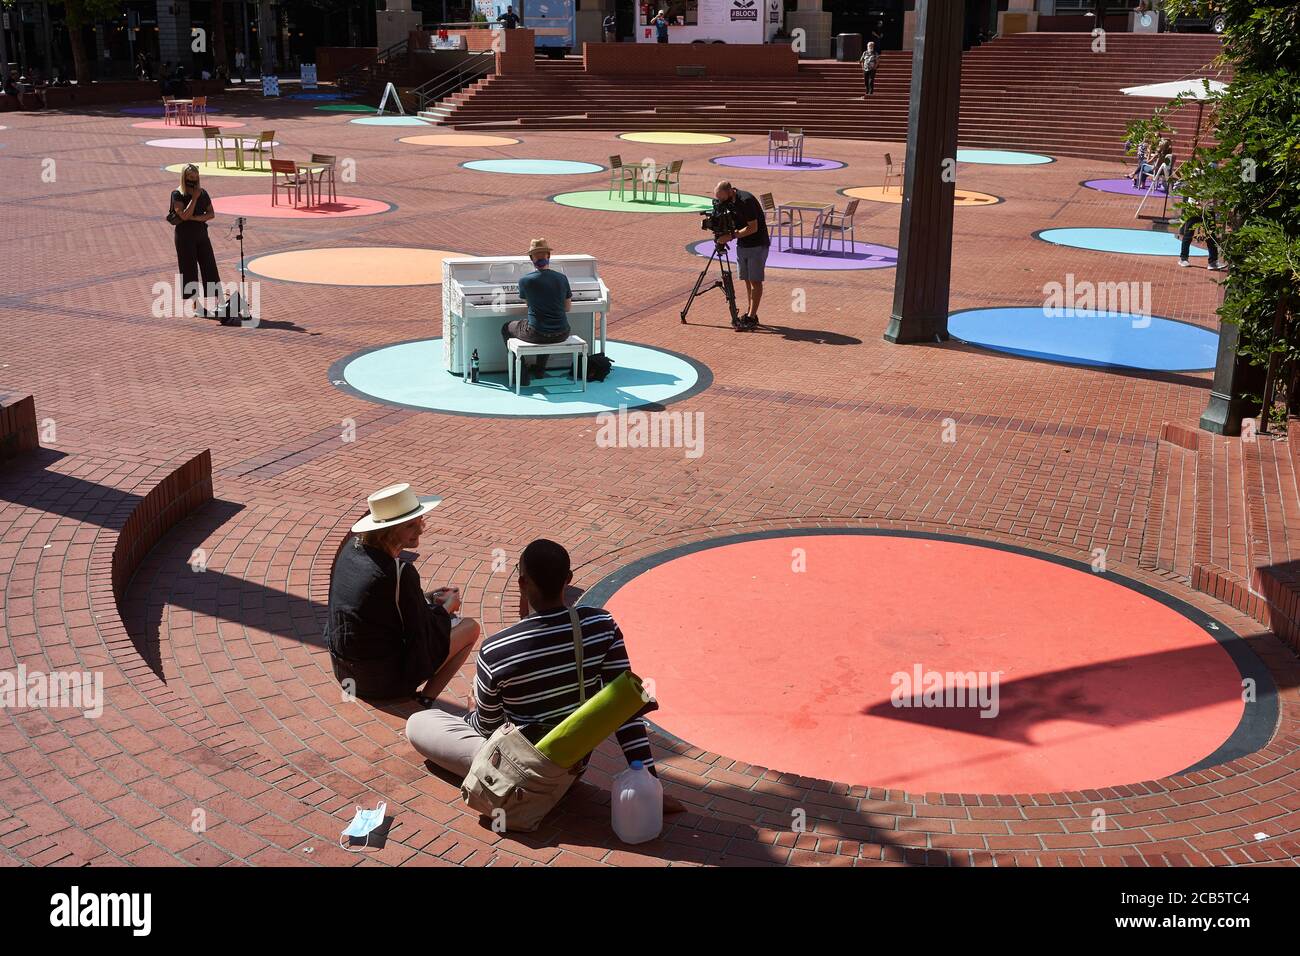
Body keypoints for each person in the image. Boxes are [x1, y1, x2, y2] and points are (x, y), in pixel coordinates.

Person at [405, 539, 661, 784]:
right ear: (568, 580)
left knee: (419, 723)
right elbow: (626, 704)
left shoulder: (496, 650)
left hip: (518, 769)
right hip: (571, 767)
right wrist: (648, 779)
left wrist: (472, 711)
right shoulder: (602, 625)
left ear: (522, 583)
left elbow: (486, 727)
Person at [325, 484, 481, 706]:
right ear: (388, 531)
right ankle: (425, 699)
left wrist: (425, 597)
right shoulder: (398, 572)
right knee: (470, 627)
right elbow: (422, 629)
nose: (420, 530)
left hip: (345, 672)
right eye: (410, 525)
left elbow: (376, 606)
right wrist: (447, 607)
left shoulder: (351, 550)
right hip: (381, 681)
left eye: (420, 521)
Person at [501, 237, 571, 386]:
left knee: (506, 327)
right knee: (545, 324)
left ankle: (521, 373)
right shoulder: (562, 278)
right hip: (563, 332)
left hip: (537, 334)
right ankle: (540, 370)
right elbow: (567, 308)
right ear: (549, 256)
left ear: (531, 259)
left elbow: (529, 304)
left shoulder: (525, 281)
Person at [169, 164, 226, 319]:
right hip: (184, 237)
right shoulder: (177, 194)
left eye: (196, 177)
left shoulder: (203, 193)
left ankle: (221, 302)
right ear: (184, 177)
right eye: (190, 177)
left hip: (201, 234)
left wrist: (196, 218)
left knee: (210, 267)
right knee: (189, 270)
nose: (193, 180)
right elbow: (184, 216)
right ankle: (196, 305)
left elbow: (211, 213)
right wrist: (193, 199)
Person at [714, 180, 768, 330]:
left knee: (755, 281)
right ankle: (751, 313)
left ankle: (751, 317)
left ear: (730, 191)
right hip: (743, 245)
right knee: (746, 280)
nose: (720, 201)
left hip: (757, 244)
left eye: (721, 198)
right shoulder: (729, 202)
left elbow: (753, 228)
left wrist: (730, 236)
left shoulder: (746, 200)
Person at [1178, 197, 1223, 271]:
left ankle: (1213, 262)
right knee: (1189, 234)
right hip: (1194, 208)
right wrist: (1197, 203)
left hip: (1208, 208)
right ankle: (1183, 258)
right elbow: (1191, 189)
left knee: (1211, 235)